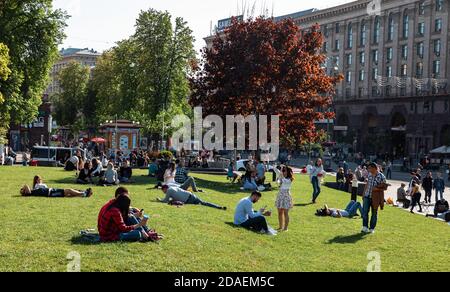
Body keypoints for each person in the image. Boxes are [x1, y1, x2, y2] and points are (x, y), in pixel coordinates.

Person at [361, 162, 387, 234]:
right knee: (365, 212)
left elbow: (385, 187)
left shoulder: (382, 176)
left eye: (369, 168)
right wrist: (363, 194)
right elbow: (367, 184)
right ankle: (364, 227)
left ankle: (372, 228)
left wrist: (377, 189)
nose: (368, 169)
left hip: (375, 198)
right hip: (367, 196)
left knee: (374, 213)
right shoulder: (369, 174)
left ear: (374, 168)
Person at [157, 185, 226, 210]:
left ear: (165, 188)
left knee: (202, 204)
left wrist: (159, 200)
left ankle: (219, 207)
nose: (163, 192)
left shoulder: (169, 191)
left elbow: (165, 200)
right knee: (204, 203)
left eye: (163, 191)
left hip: (188, 200)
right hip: (191, 195)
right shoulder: (173, 188)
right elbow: (176, 196)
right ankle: (219, 207)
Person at [275, 166, 294, 232]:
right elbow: (276, 172)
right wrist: (277, 168)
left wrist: (280, 174)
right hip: (280, 195)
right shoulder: (282, 178)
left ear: (288, 171)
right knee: (280, 212)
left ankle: (285, 228)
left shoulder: (290, 179)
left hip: (286, 195)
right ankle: (280, 227)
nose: (283, 172)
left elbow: (285, 181)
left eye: (284, 171)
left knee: (285, 213)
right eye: (283, 171)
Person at [20, 184, 92, 198]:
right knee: (68, 191)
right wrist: (23, 188)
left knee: (69, 192)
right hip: (51, 193)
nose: (25, 188)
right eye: (23, 190)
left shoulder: (32, 191)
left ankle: (84, 193)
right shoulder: (30, 193)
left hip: (52, 191)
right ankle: (83, 193)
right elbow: (26, 185)